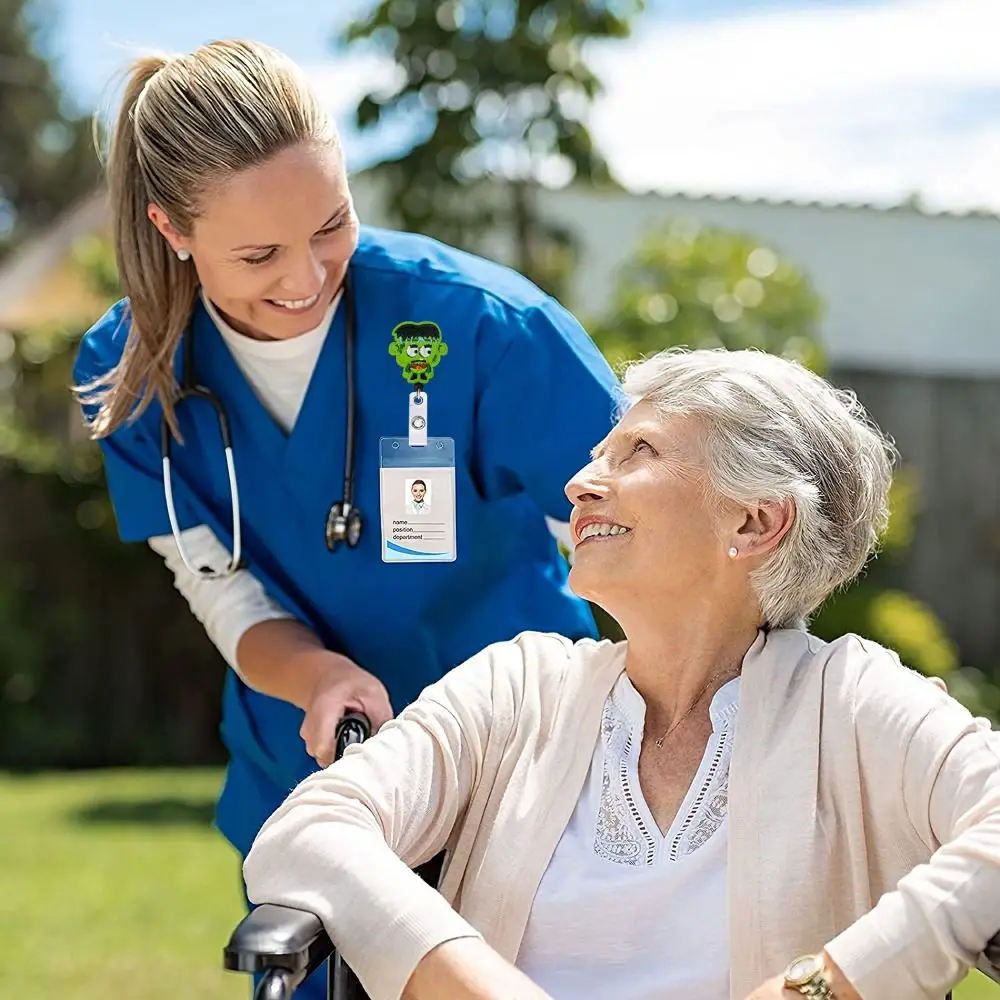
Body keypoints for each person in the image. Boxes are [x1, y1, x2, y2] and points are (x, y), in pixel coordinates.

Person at [72, 39, 621, 1000]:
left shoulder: (483, 328)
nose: (307, 275)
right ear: (170, 227)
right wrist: (319, 676)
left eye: (332, 224)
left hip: (521, 779)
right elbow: (220, 588)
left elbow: (648, 539)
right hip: (315, 785)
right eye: (257, 254)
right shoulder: (129, 376)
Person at [243, 348, 1000, 1000]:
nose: (578, 483)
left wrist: (825, 984)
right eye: (598, 455)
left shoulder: (855, 701)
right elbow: (306, 833)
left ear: (753, 522)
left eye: (637, 452)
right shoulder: (519, 687)